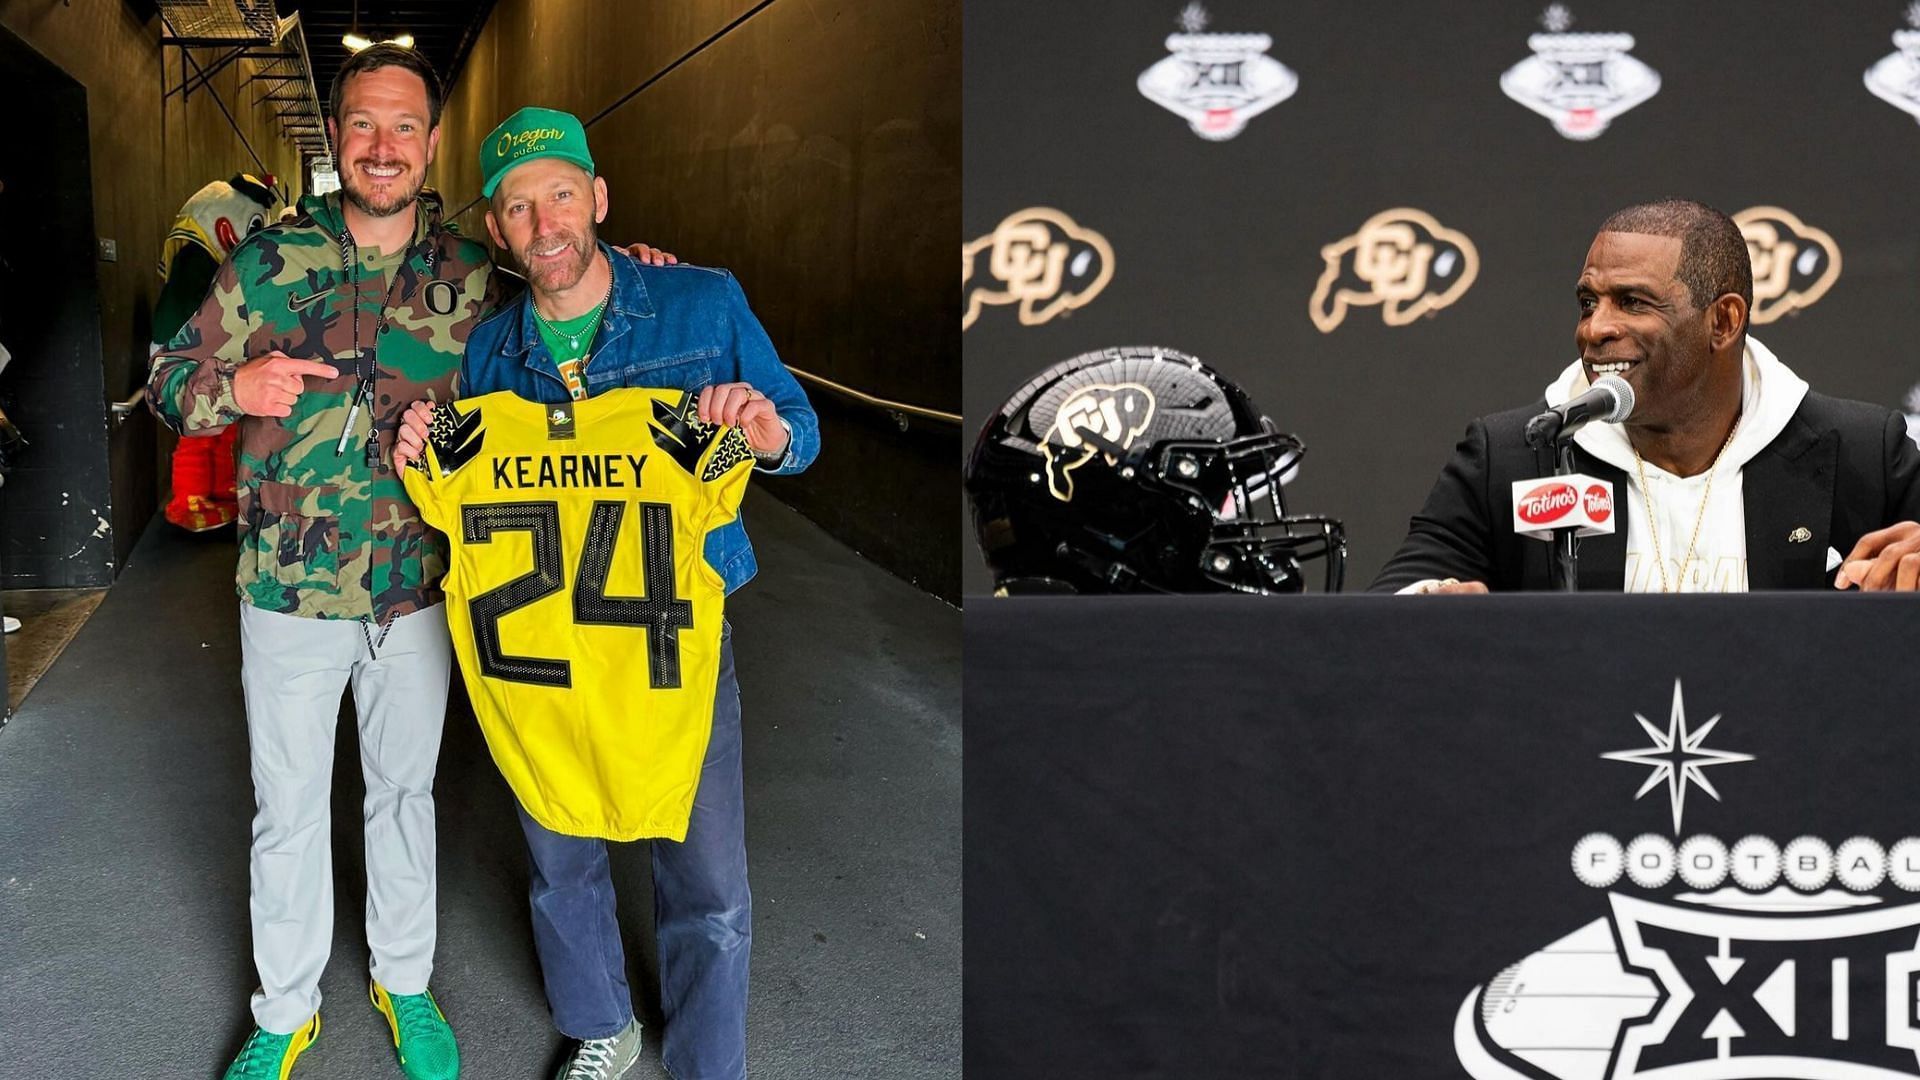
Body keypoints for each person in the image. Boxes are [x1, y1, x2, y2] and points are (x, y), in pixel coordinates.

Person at [145, 48, 674, 1080]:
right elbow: (167, 380)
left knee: (405, 794)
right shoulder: (266, 261)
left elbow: (572, 306)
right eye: (362, 126)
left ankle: (403, 979)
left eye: (403, 129)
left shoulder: (476, 269)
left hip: (423, 588)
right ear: (336, 138)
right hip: (288, 590)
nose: (382, 148)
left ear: (432, 146)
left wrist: (637, 274)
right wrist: (233, 389)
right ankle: (285, 1009)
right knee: (286, 808)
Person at [393, 106, 818, 1080]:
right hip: (543, 654)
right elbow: (459, 487)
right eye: (518, 206)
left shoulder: (700, 305)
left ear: (598, 198)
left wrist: (762, 432)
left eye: (560, 194)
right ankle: (601, 1025)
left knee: (706, 872)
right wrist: (426, 454)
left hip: (672, 644)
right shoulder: (490, 355)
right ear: (498, 229)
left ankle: (709, 1062)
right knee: (559, 856)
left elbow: (800, 428)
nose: (544, 222)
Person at [1373, 198, 1920, 594]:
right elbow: (1391, 602)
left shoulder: (1863, 451)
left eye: (1633, 302)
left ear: (1724, 321)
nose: (1595, 329)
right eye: (1589, 303)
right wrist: (1430, 606)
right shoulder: (1516, 453)